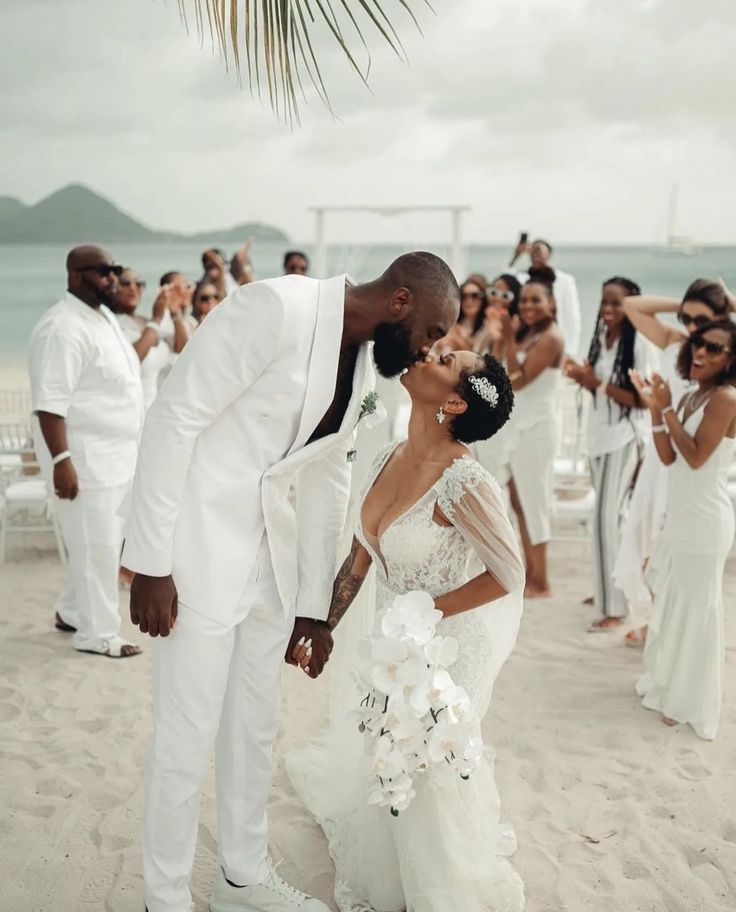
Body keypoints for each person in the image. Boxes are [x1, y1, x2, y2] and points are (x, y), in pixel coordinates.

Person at [120, 252, 459, 912]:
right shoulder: (276, 307)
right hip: (194, 555)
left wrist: (313, 607)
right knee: (186, 737)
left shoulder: (365, 364)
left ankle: (240, 879)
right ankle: (162, 899)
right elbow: (174, 417)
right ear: (400, 303)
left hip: (271, 568)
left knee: (255, 728)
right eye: (432, 330)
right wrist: (152, 561)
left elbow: (327, 477)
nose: (431, 347)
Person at [287, 349, 525, 912]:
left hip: (441, 652)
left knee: (428, 770)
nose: (426, 353)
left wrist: (428, 612)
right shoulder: (390, 455)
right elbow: (362, 554)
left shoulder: (464, 481)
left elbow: (509, 574)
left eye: (445, 358)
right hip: (389, 646)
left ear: (453, 401)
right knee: (386, 757)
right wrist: (321, 625)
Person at [28, 245, 144, 658]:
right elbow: (49, 403)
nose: (113, 278)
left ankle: (72, 611)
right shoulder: (62, 328)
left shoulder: (102, 316)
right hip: (85, 459)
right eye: (102, 272)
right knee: (99, 549)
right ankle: (98, 635)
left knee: (101, 541)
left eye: (114, 270)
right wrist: (62, 462)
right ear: (75, 276)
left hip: (117, 455)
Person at [631, 321, 736, 739]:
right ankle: (670, 685)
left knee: (698, 611)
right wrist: (657, 409)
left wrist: (668, 407)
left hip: (706, 519)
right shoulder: (694, 395)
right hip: (680, 514)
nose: (702, 353)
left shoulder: (726, 399)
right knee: (674, 604)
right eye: (698, 344)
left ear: (730, 359)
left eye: (715, 348)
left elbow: (695, 457)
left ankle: (690, 699)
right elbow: (668, 456)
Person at [613, 279, 731, 644]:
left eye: (701, 321)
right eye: (687, 319)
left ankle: (662, 626)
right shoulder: (677, 343)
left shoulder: (718, 358)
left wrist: (725, 307)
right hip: (661, 453)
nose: (692, 328)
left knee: (670, 544)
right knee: (647, 540)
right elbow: (632, 306)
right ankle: (652, 620)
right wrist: (685, 304)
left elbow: (699, 450)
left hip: (690, 461)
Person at [565, 277, 657, 630]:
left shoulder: (641, 344)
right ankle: (610, 588)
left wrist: (596, 384)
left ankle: (616, 609)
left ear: (632, 306)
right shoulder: (603, 339)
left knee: (604, 518)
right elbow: (599, 391)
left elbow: (641, 399)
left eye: (616, 303)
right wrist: (583, 377)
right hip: (598, 437)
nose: (607, 309)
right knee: (612, 521)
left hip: (625, 437)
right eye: (604, 302)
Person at [499, 270, 564, 597]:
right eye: (524, 299)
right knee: (520, 503)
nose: (529, 305)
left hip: (538, 429)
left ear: (551, 303)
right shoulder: (528, 336)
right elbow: (511, 370)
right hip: (519, 428)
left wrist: (509, 338)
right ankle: (530, 574)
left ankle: (543, 580)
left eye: (536, 299)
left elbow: (519, 379)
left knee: (534, 502)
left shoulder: (552, 337)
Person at [112, 268, 187, 409]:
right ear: (113, 287)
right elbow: (133, 358)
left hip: (158, 407)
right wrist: (156, 319)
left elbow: (181, 349)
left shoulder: (146, 322)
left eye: (139, 284)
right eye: (126, 283)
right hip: (130, 409)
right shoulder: (113, 323)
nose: (133, 288)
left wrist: (175, 312)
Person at [510, 237, 582, 357]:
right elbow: (505, 281)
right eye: (532, 251)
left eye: (539, 250)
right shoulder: (524, 279)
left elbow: (572, 317)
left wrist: (570, 352)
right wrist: (516, 256)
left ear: (549, 255)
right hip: (528, 341)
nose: (535, 254)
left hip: (554, 343)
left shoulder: (565, 281)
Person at [441, 278, 489, 353]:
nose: (469, 300)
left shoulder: (488, 327)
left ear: (483, 299)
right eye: (464, 296)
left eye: (474, 295)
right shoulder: (451, 324)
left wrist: (458, 342)